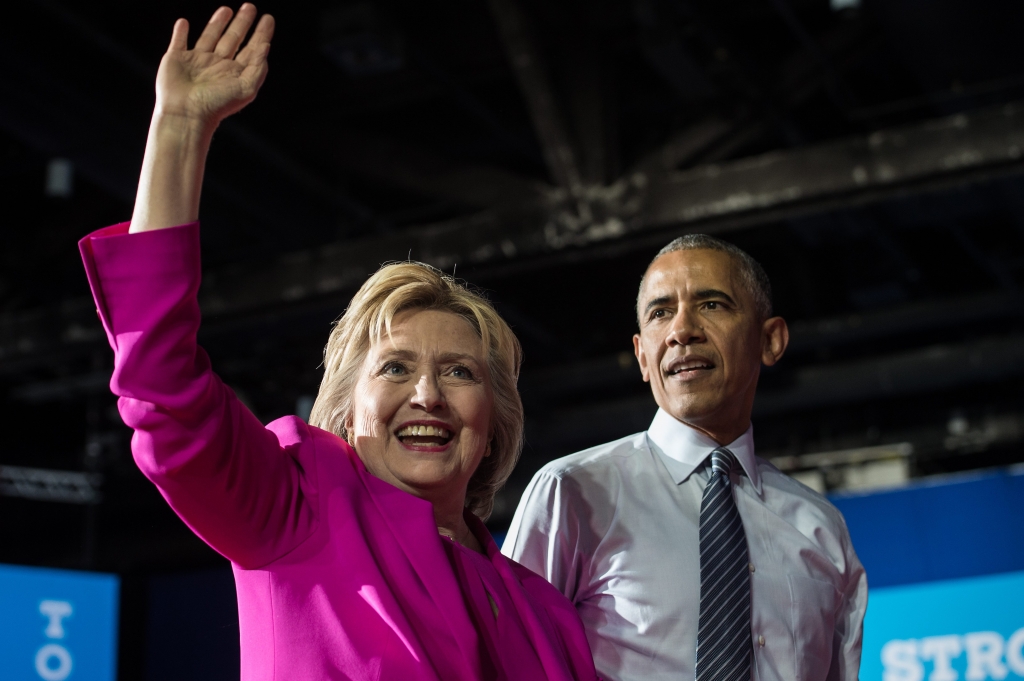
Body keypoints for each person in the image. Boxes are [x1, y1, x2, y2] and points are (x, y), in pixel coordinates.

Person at [79, 5, 598, 679]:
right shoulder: (296, 505)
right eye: (396, 366)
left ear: (495, 421)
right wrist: (180, 129)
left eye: (460, 372)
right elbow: (161, 390)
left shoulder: (546, 615)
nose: (427, 394)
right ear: (348, 409)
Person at [502, 236, 867, 681]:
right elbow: (510, 666)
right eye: (660, 313)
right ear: (641, 355)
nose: (681, 331)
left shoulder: (822, 528)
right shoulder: (572, 493)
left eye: (712, 305)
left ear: (770, 340)